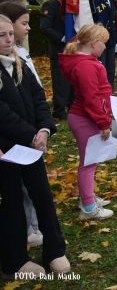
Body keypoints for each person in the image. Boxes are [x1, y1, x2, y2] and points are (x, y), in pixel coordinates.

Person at [0, 14, 70, 278]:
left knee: (42, 195)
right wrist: (31, 134)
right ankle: (15, 261)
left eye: (10, 34)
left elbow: (39, 98)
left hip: (31, 147)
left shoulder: (20, 63)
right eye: (2, 35)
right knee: (12, 202)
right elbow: (3, 113)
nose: (9, 39)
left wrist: (43, 129)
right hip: (6, 150)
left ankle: (54, 250)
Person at [58, 24, 115, 220]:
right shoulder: (86, 66)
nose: (105, 47)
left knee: (91, 160)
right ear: (92, 44)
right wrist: (103, 122)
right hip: (86, 119)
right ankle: (89, 207)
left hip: (85, 116)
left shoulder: (87, 62)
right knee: (88, 163)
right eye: (103, 43)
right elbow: (92, 98)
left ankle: (88, 197)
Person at [39, 0, 73, 118]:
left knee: (73, 78)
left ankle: (72, 106)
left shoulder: (73, 2)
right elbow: (45, 27)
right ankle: (59, 109)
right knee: (60, 80)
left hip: (74, 48)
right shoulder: (51, 5)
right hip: (59, 48)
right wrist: (62, 38)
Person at [97, 0, 117, 88]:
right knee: (102, 67)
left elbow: (113, 20)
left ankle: (110, 91)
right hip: (99, 39)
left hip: (110, 39)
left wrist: (115, 40)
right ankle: (102, 90)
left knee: (110, 67)